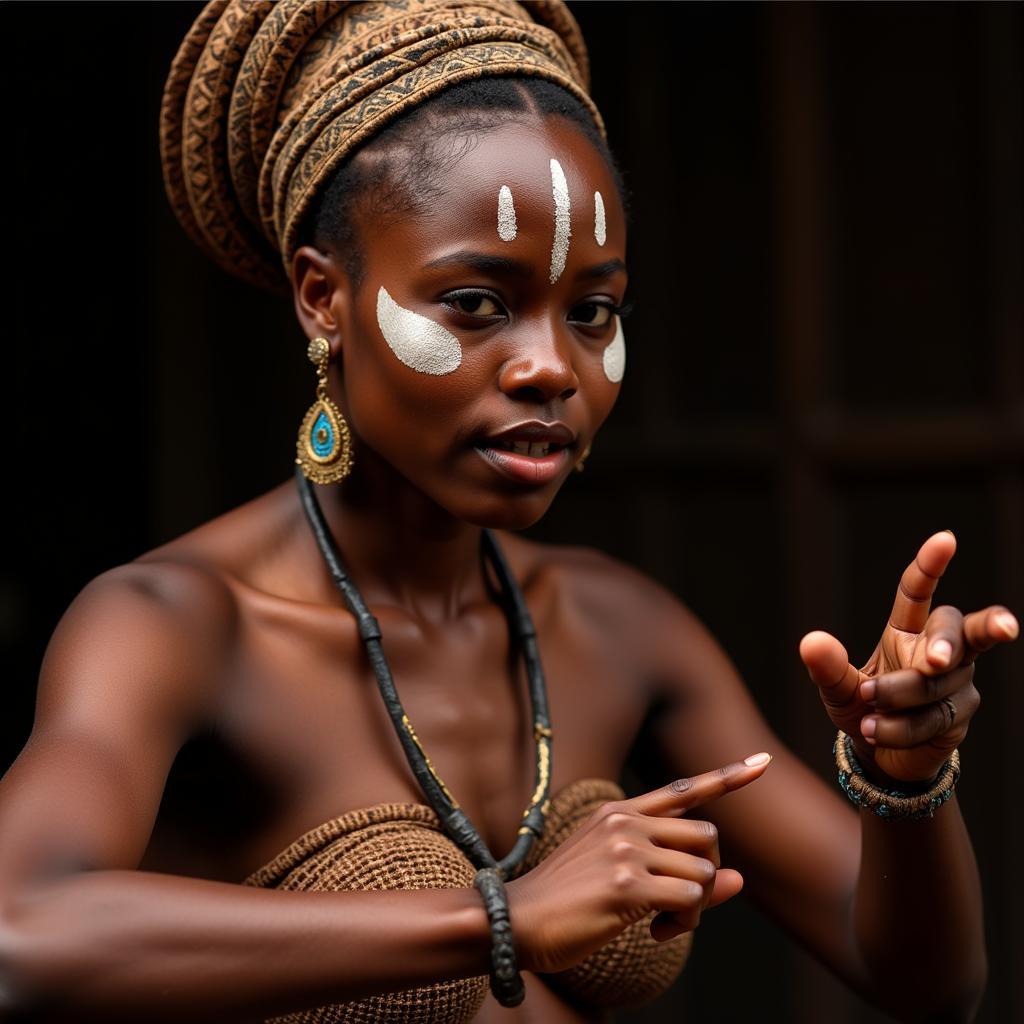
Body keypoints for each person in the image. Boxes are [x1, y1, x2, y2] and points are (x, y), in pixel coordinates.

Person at [0, 2, 1017, 1021]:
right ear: (322, 297)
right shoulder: (178, 625)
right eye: (477, 303)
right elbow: (21, 935)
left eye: (592, 312)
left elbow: (927, 984)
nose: (550, 366)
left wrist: (905, 779)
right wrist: (502, 915)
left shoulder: (616, 628)